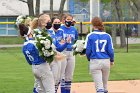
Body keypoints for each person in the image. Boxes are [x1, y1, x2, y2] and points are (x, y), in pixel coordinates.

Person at [21, 14, 71, 93]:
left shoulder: (51, 32)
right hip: (43, 62)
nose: (50, 23)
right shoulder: (37, 32)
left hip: (52, 60)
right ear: (43, 23)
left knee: (55, 81)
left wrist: (66, 43)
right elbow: (33, 48)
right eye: (48, 21)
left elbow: (58, 48)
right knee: (40, 86)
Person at [85, 17, 114, 93]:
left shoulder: (90, 36)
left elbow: (88, 51)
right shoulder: (107, 36)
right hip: (106, 61)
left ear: (93, 25)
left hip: (95, 61)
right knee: (105, 85)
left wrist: (89, 58)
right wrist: (112, 60)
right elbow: (110, 51)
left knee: (99, 87)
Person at [60, 14, 78, 93]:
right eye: (68, 19)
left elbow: (76, 39)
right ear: (64, 20)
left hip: (71, 52)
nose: (69, 21)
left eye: (71, 19)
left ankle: (68, 91)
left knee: (69, 75)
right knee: (62, 75)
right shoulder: (60, 29)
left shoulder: (73, 29)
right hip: (62, 52)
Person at [48, 17, 65, 93]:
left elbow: (61, 44)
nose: (57, 24)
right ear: (52, 23)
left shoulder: (61, 31)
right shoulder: (49, 32)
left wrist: (65, 42)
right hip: (51, 56)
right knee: (51, 77)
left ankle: (54, 91)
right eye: (55, 22)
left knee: (58, 77)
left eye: (59, 22)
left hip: (58, 55)